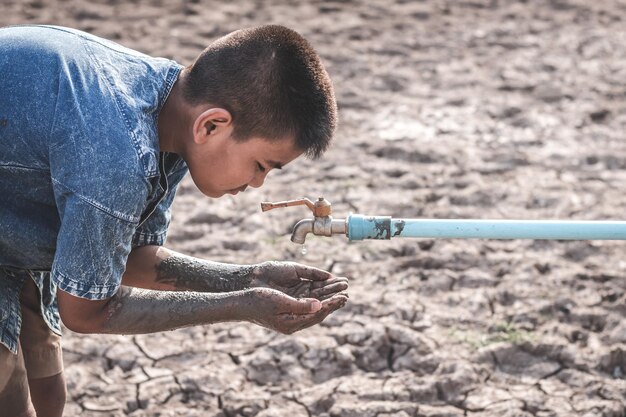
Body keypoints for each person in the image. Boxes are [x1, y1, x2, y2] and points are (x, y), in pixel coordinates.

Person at [0, 24, 349, 417]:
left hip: (15, 212)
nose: (256, 183)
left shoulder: (167, 107)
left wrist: (250, 277)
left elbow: (132, 256)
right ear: (212, 126)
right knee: (10, 394)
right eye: (260, 165)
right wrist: (241, 305)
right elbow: (86, 309)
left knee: (49, 392)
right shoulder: (118, 156)